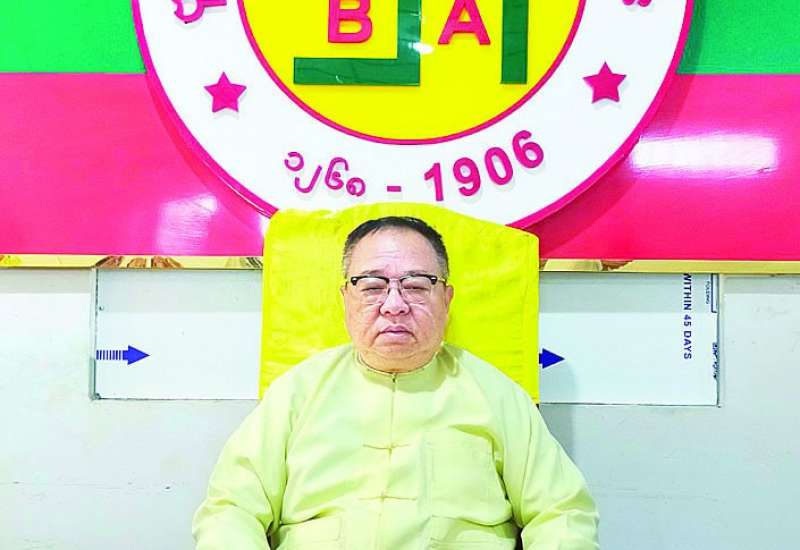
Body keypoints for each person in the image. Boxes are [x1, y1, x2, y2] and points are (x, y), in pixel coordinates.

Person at [193, 216, 599, 549]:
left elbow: (561, 513)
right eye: (372, 287)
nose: (394, 305)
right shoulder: (297, 392)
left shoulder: (497, 394)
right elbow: (231, 509)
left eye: (417, 286)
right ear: (345, 299)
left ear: (447, 300)